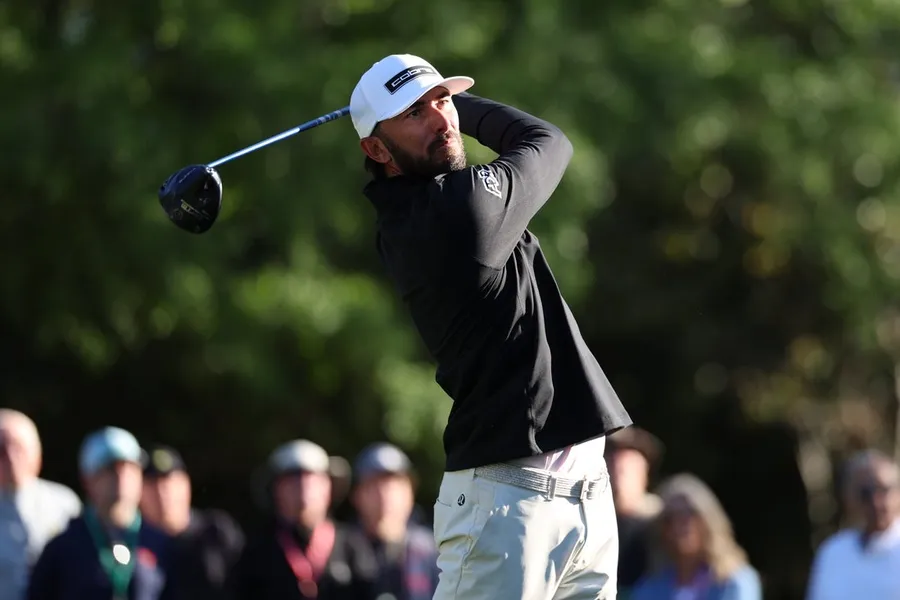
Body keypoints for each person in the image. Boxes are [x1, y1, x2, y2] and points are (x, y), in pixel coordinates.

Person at [350, 53, 633, 599]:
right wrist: (464, 105)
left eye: (442, 100)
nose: (441, 119)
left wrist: (437, 105)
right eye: (414, 113)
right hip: (507, 502)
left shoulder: (423, 209)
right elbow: (548, 141)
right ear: (377, 149)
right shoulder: (457, 210)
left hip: (584, 495)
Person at [26, 426, 174, 600]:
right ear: (87, 479)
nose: (122, 477)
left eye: (130, 467)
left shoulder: (161, 543)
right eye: (111, 469)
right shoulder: (63, 548)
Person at [231, 439, 364, 600]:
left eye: (312, 479)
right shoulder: (256, 550)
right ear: (275, 489)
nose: (303, 488)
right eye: (292, 480)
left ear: (328, 487)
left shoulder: (354, 544)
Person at [630, 473, 761, 600]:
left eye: (689, 513)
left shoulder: (735, 582)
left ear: (708, 520)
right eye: (671, 518)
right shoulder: (651, 586)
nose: (680, 525)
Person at [139, 444, 244, 600]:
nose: (161, 493)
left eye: (168, 482)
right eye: (152, 484)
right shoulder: (133, 542)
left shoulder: (216, 531)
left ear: (186, 484)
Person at [0, 409, 82, 600]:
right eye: (1, 449)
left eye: (18, 448)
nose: (11, 458)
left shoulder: (64, 504)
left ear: (37, 453)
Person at [342, 442, 439, 600]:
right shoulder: (340, 551)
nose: (384, 497)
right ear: (356, 496)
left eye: (394, 486)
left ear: (411, 493)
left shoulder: (432, 553)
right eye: (374, 486)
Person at [805, 449, 900, 600]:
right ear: (848, 497)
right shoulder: (833, 552)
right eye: (865, 493)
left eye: (884, 490)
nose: (876, 502)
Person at [605, 427, 665, 598]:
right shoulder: (595, 519)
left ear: (644, 474)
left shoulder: (661, 522)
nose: (618, 479)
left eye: (625, 472)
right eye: (612, 468)